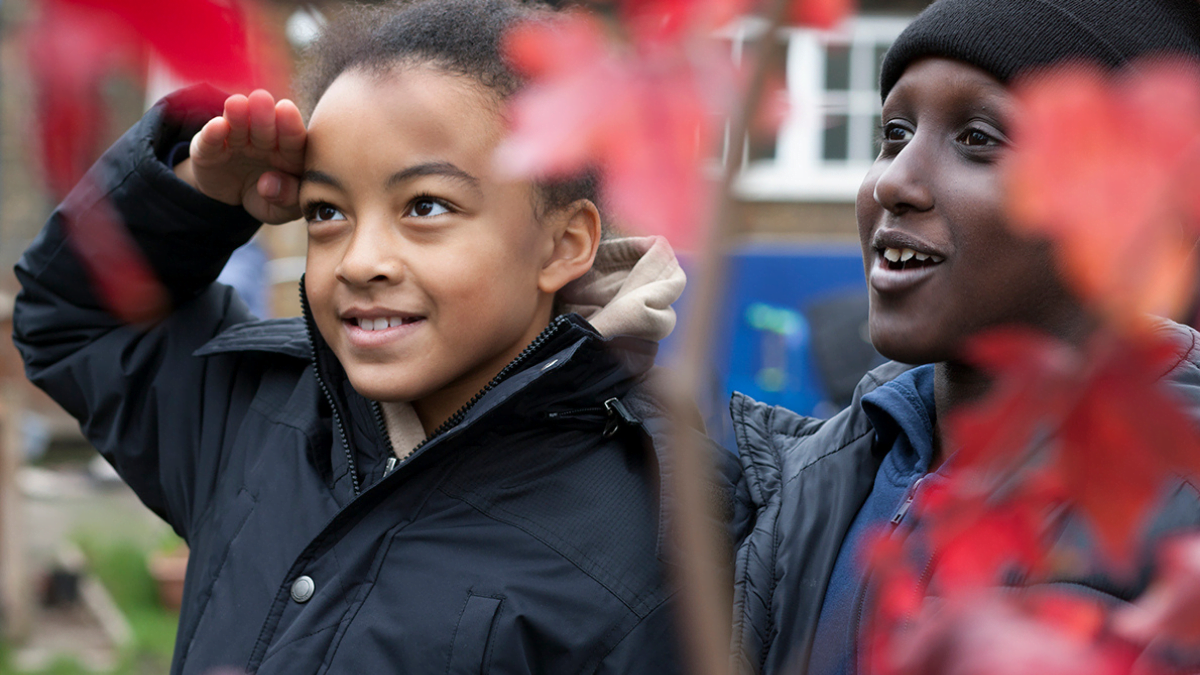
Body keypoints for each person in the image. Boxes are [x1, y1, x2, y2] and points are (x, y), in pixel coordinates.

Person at [13, 1, 737, 673]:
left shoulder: (652, 536)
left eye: (425, 205)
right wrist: (192, 193)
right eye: (327, 212)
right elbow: (73, 318)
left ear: (562, 244)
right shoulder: (255, 409)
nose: (360, 261)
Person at [728, 1, 1200, 673]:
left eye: (978, 137)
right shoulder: (812, 482)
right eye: (894, 132)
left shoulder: (1179, 502)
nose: (894, 180)